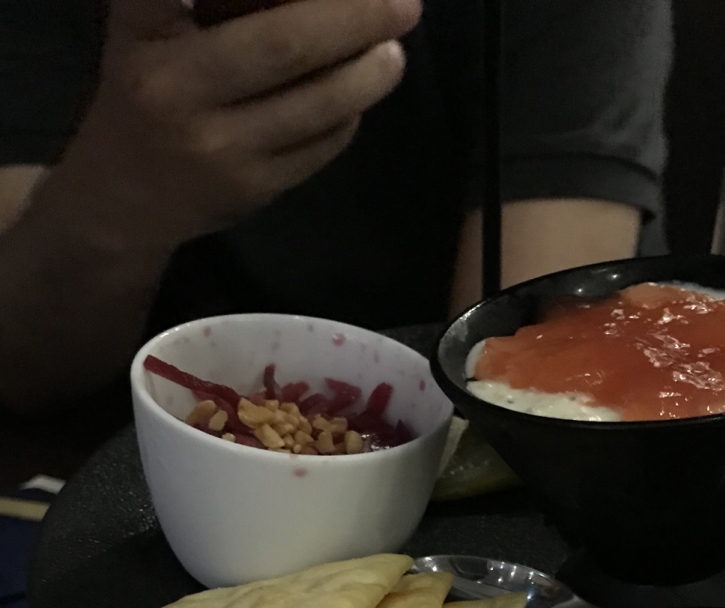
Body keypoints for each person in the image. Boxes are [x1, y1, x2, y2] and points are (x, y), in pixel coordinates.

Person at [0, 0, 672, 413]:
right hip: (123, 480)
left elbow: (526, 397)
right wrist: (115, 202)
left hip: (458, 516)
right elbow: (19, 364)